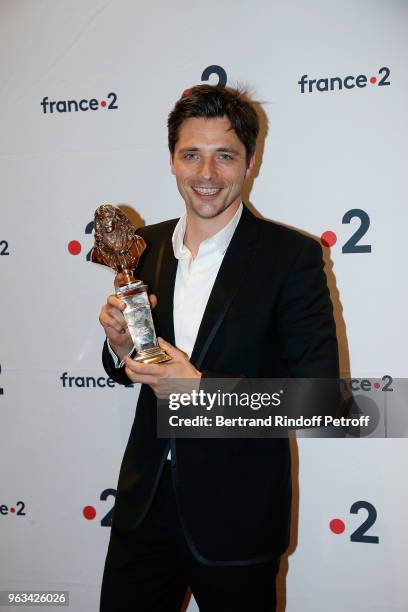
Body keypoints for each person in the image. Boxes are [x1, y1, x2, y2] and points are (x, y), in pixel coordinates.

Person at [99, 85, 339, 612]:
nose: (206, 174)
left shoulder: (291, 257)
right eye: (191, 155)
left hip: (238, 517)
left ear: (250, 162)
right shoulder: (144, 246)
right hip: (142, 508)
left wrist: (204, 392)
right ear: (171, 160)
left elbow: (322, 400)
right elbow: (135, 367)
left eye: (224, 155)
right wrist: (119, 347)